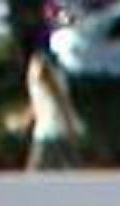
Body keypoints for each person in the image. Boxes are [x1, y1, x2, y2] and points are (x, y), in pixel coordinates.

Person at [24, 39, 83, 171]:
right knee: (73, 171)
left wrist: (70, 124)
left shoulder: (41, 66)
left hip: (50, 132)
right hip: (53, 130)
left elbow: (59, 99)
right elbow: (38, 101)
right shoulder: (47, 70)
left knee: (34, 174)